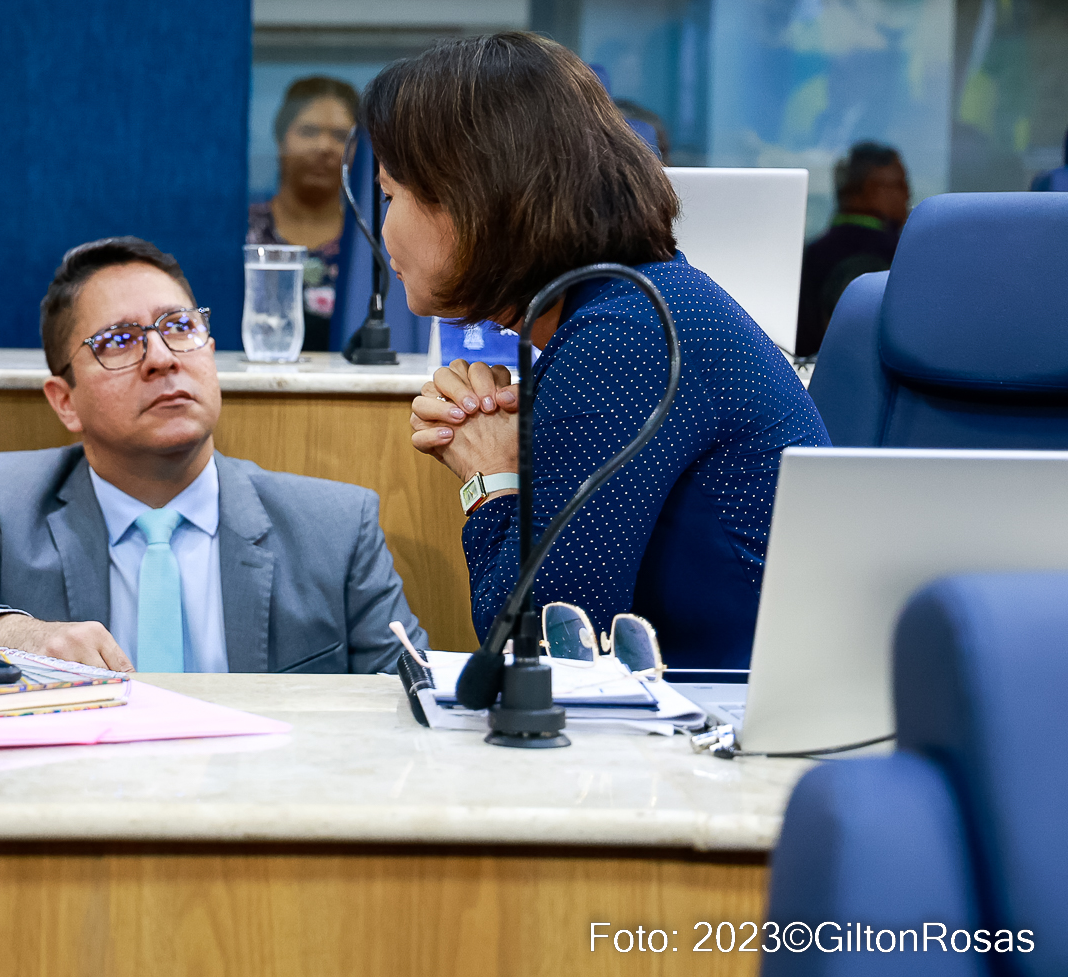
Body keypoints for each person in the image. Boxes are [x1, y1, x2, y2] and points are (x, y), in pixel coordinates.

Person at [377, 33, 829, 670]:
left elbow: (542, 645)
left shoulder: (625, 335)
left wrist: (491, 477)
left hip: (739, 718)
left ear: (469, 198)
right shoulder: (637, 305)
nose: (384, 227)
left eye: (391, 195)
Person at [0, 236, 425, 673]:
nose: (162, 358)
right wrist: (17, 634)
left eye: (179, 326)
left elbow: (411, 698)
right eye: (119, 342)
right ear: (65, 401)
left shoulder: (334, 528)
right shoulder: (9, 505)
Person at [248, 77, 357, 348]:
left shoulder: (369, 242)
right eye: (308, 131)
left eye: (340, 136)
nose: (324, 147)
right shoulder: (242, 227)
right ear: (280, 138)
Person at [795, 142, 910, 356]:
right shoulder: (901, 256)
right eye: (900, 185)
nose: (907, 195)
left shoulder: (805, 256)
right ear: (870, 189)